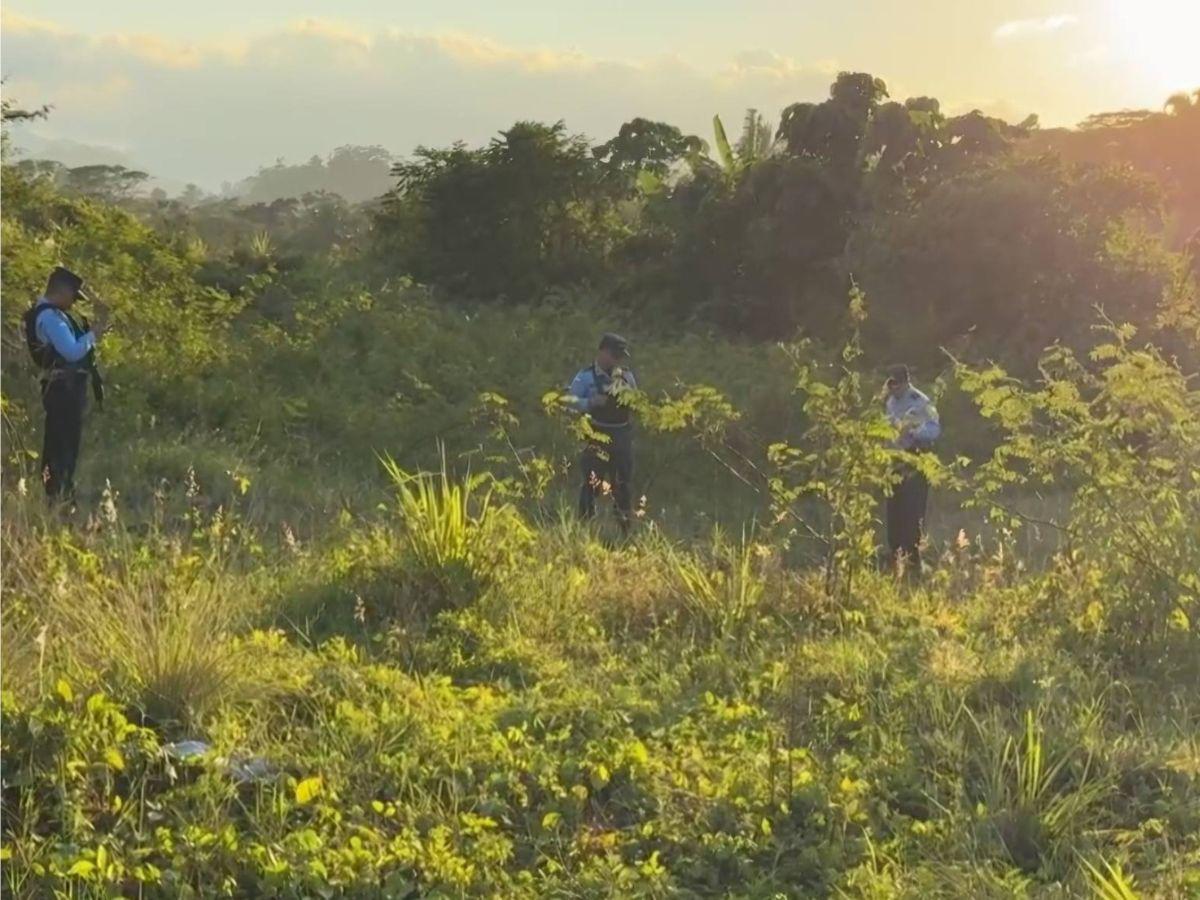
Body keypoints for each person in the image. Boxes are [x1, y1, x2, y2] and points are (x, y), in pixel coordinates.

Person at [22, 266, 107, 504]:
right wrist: (93, 336)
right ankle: (59, 495)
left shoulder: (51, 314)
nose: (72, 304)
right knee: (63, 444)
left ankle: (59, 493)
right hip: (64, 390)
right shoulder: (50, 317)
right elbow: (71, 352)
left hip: (62, 388)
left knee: (62, 441)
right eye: (72, 297)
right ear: (63, 291)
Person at [567, 333, 637, 530]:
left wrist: (630, 399)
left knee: (622, 485)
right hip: (596, 435)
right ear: (603, 352)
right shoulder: (585, 377)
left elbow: (638, 403)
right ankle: (583, 528)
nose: (618, 360)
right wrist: (590, 402)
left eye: (620, 356)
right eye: (614, 355)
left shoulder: (627, 377)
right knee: (591, 483)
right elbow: (568, 402)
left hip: (622, 436)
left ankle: (625, 530)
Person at [883, 364, 940, 573]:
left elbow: (934, 428)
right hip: (894, 460)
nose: (894, 388)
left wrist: (915, 431)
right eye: (891, 384)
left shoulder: (920, 401)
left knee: (913, 509)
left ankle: (913, 557)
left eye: (897, 384)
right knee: (894, 508)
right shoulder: (890, 402)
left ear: (906, 382)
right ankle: (895, 553)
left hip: (915, 458)